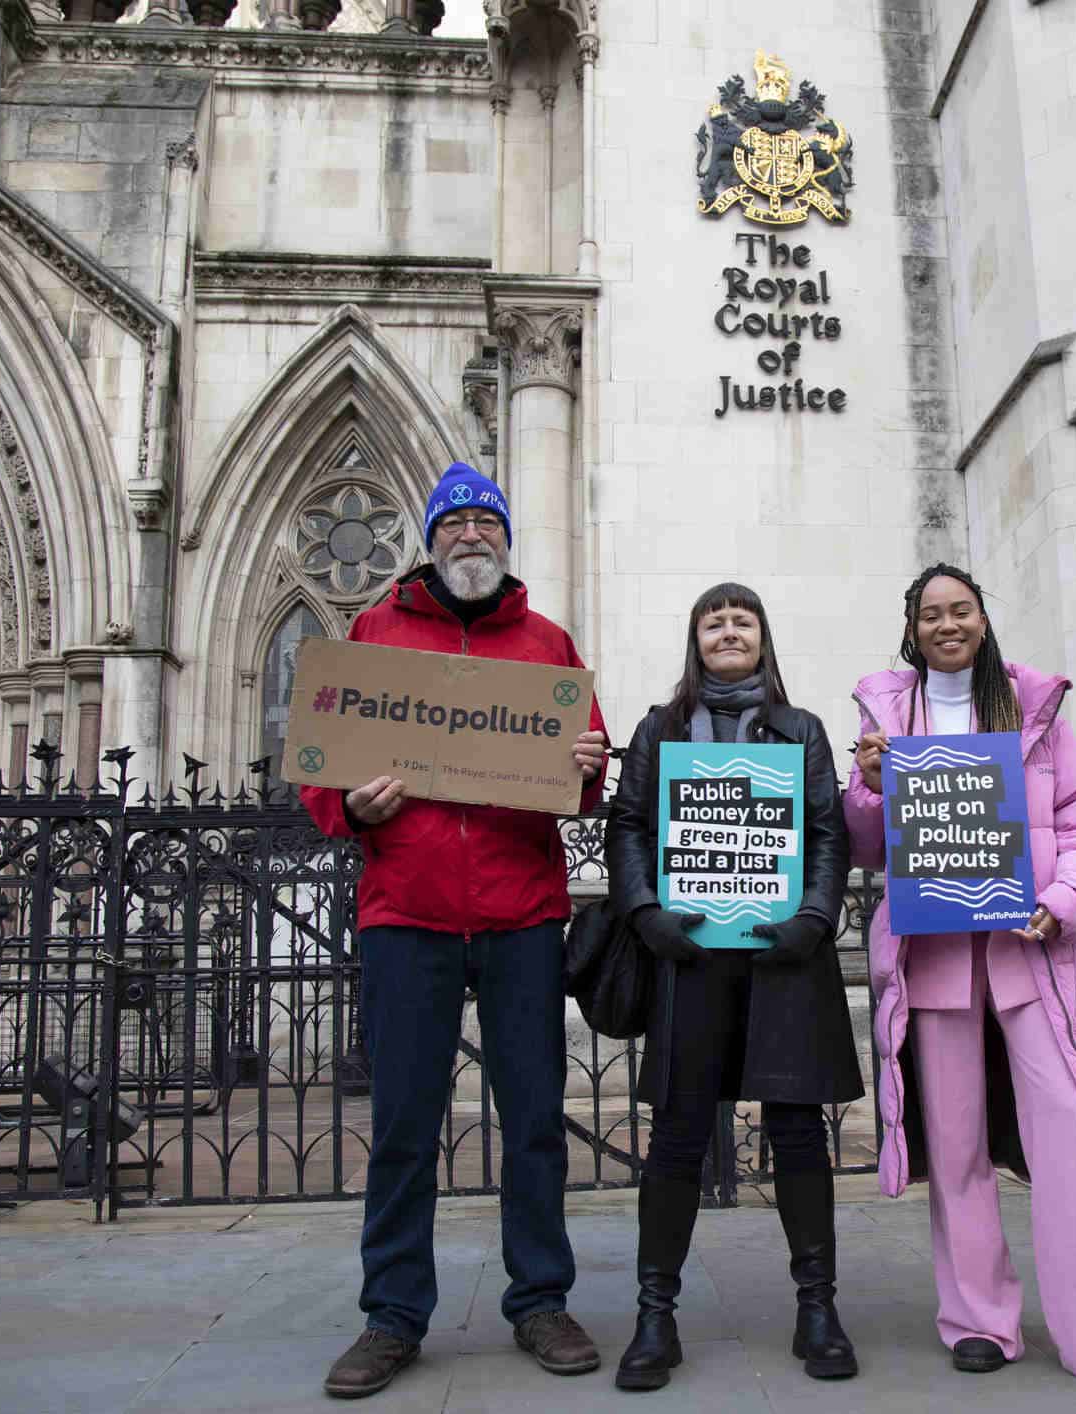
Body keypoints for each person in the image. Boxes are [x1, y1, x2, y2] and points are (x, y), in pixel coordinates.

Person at [300, 462, 610, 1399]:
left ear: (505, 540)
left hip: (521, 913)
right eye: (455, 525)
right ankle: (392, 1315)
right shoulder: (374, 632)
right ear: (430, 540)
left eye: (486, 524)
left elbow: (582, 779)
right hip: (407, 914)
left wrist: (588, 765)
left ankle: (540, 1300)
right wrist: (351, 805)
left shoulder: (547, 643)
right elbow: (321, 773)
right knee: (401, 1123)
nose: (471, 536)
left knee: (533, 1122)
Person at [843, 563, 1076, 1390]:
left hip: (1031, 957)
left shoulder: (1037, 715)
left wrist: (1062, 903)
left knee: (1065, 1135)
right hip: (937, 964)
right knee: (954, 1148)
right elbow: (866, 846)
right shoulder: (889, 721)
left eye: (960, 611)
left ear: (983, 621)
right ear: (911, 630)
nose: (945, 625)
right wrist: (872, 791)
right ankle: (977, 1320)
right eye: (929, 615)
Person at [605, 582, 863, 1391]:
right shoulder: (660, 729)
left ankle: (816, 1309)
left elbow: (825, 831)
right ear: (695, 639)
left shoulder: (803, 730)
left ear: (762, 638)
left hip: (784, 956)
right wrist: (645, 912)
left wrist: (815, 918)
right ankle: (656, 1317)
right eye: (713, 621)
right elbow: (629, 826)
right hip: (690, 956)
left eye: (740, 620)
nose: (727, 630)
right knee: (678, 1135)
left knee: (795, 1130)